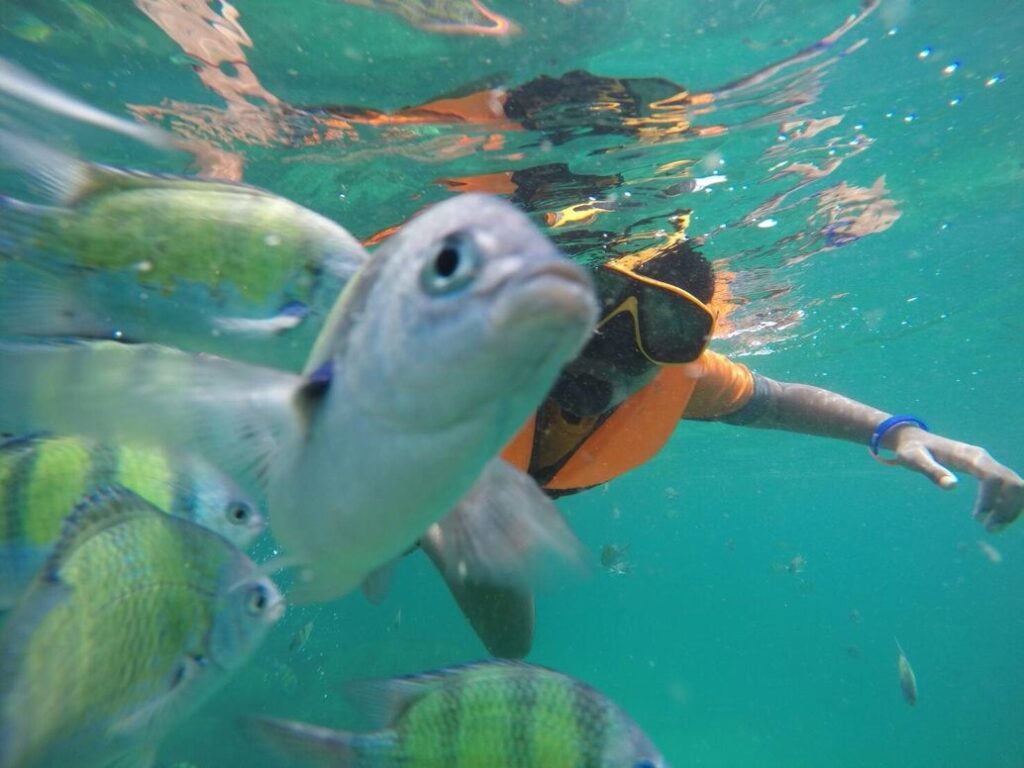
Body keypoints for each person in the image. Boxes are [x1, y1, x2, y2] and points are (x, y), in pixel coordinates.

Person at [434, 227, 1024, 659]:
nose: (609, 344)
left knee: (513, 641)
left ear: (681, 352)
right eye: (595, 304)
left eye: (664, 330)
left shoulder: (677, 381)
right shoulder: (463, 350)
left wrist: (898, 431)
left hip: (452, 506)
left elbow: (777, 399)